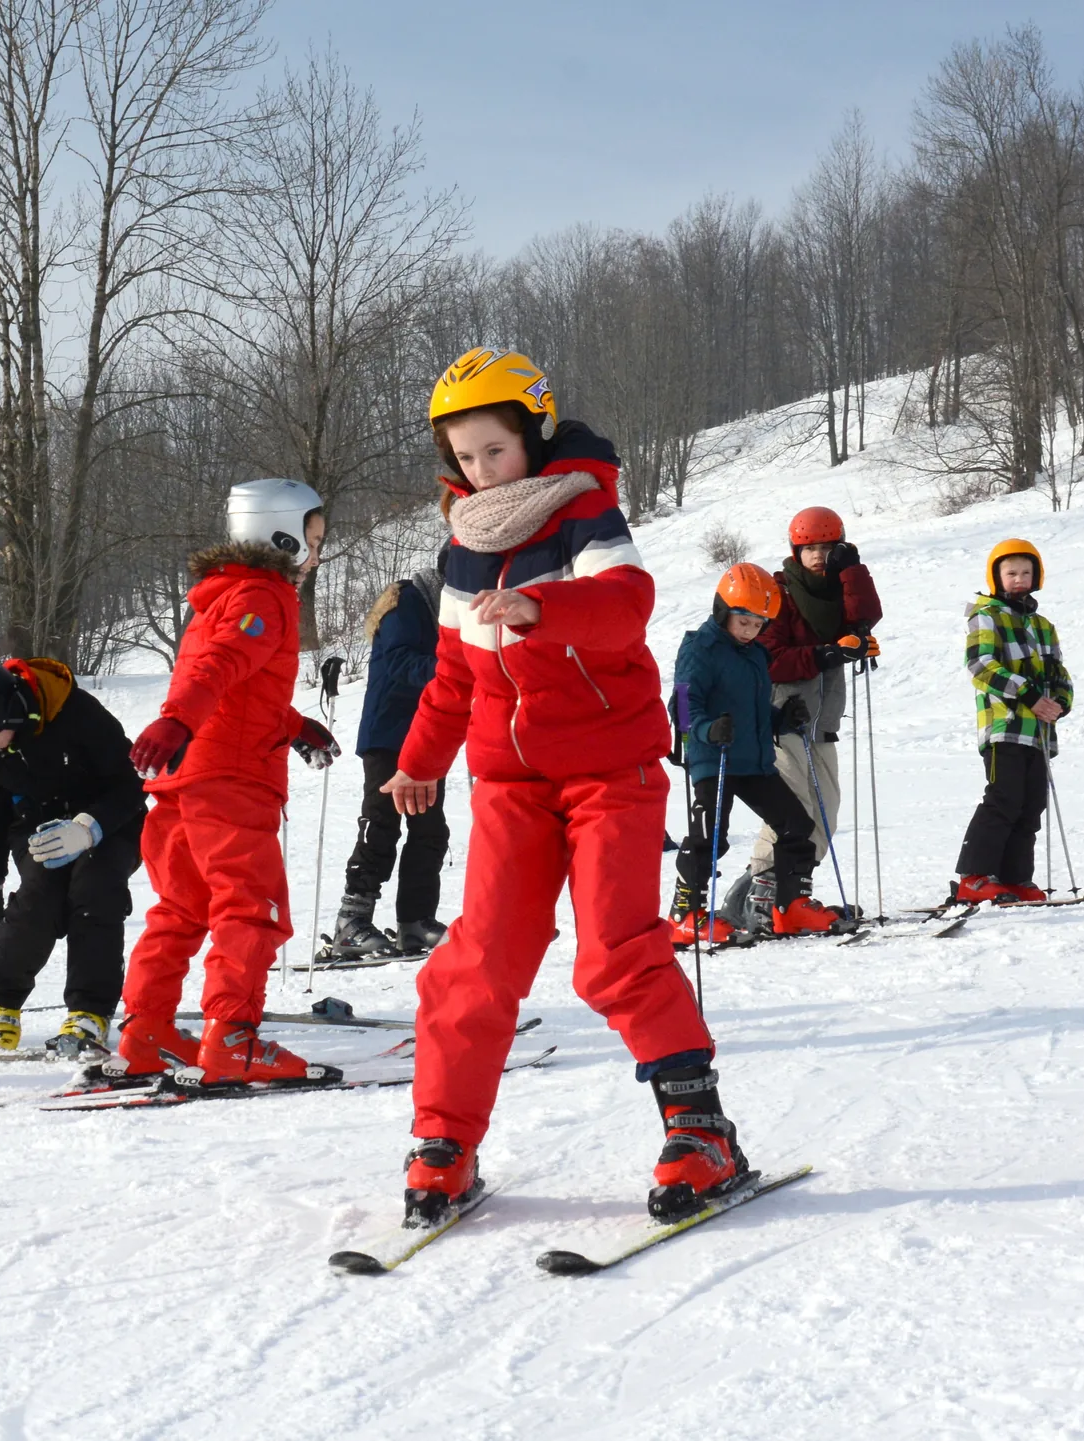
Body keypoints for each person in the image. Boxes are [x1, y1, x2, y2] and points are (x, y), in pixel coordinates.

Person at [386, 348, 749, 1227]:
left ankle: (701, 1128)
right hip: (510, 782)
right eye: (464, 456)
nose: (479, 470)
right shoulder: (462, 548)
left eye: (495, 451)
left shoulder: (583, 511)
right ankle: (444, 1142)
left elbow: (628, 606)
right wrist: (420, 759)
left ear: (534, 434)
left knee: (615, 948)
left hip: (606, 771)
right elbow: (450, 676)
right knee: (478, 958)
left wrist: (544, 613)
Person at [117, 478, 342, 1088]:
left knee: (180, 909)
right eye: (312, 540)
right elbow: (222, 667)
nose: (316, 554)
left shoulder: (217, 597)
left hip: (184, 777)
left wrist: (297, 726)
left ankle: (145, 1032)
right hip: (229, 780)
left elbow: (235, 688)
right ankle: (233, 1041)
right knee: (250, 906)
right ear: (281, 533)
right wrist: (174, 718)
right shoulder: (264, 597)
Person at [0, 653, 144, 1058]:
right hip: (36, 823)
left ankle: (89, 1012)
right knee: (40, 892)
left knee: (94, 887)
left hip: (111, 822)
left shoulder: (79, 713)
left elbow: (131, 785)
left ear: (9, 713)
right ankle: (0, 1003)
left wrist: (89, 828)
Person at [723, 505, 883, 929]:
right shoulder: (780, 594)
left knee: (826, 808)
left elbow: (864, 617)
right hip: (781, 715)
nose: (818, 555)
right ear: (796, 550)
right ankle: (760, 891)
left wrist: (854, 572)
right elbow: (769, 657)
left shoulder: (836, 594)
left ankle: (793, 894)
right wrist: (828, 653)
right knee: (794, 808)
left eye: (828, 547)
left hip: (822, 718)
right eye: (809, 547)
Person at [669, 562, 840, 943]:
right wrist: (707, 729)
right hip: (714, 757)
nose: (751, 631)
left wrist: (781, 719)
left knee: (797, 825)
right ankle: (686, 914)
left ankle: (789, 906)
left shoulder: (756, 655)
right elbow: (682, 704)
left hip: (754, 759)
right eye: (743, 620)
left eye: (759, 623)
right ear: (722, 610)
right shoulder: (700, 648)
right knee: (712, 836)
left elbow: (754, 707)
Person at [321, 569, 451, 962]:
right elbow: (398, 660)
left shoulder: (449, 604)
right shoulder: (409, 601)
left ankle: (415, 921)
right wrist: (455, 671)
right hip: (390, 731)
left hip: (428, 733)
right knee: (382, 822)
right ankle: (351, 920)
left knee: (429, 827)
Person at [951, 538, 1073, 904]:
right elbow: (981, 664)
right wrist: (1030, 696)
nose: (1019, 579)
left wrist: (1059, 704)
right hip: (1005, 726)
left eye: (1025, 572)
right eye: (1011, 573)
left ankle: (1015, 878)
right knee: (1004, 798)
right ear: (996, 576)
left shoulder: (1042, 625)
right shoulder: (986, 615)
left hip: (1038, 732)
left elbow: (1059, 673)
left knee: (1031, 803)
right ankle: (974, 877)